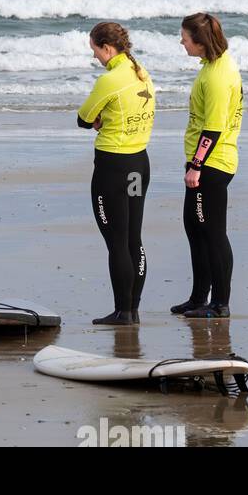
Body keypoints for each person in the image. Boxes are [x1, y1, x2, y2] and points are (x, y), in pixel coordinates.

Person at [76, 22, 155, 326]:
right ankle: (132, 309)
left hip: (112, 168)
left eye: (95, 50)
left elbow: (83, 119)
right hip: (139, 164)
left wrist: (98, 120)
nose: (95, 56)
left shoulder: (109, 80)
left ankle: (123, 311)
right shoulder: (141, 72)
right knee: (134, 238)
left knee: (116, 242)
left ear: (107, 48)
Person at [171, 12, 243, 320]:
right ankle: (199, 297)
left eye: (185, 38)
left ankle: (220, 304)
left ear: (200, 42)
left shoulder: (217, 76)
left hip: (211, 163)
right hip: (207, 160)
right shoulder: (214, 64)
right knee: (194, 227)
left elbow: (213, 127)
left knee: (212, 233)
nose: (182, 42)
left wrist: (196, 166)